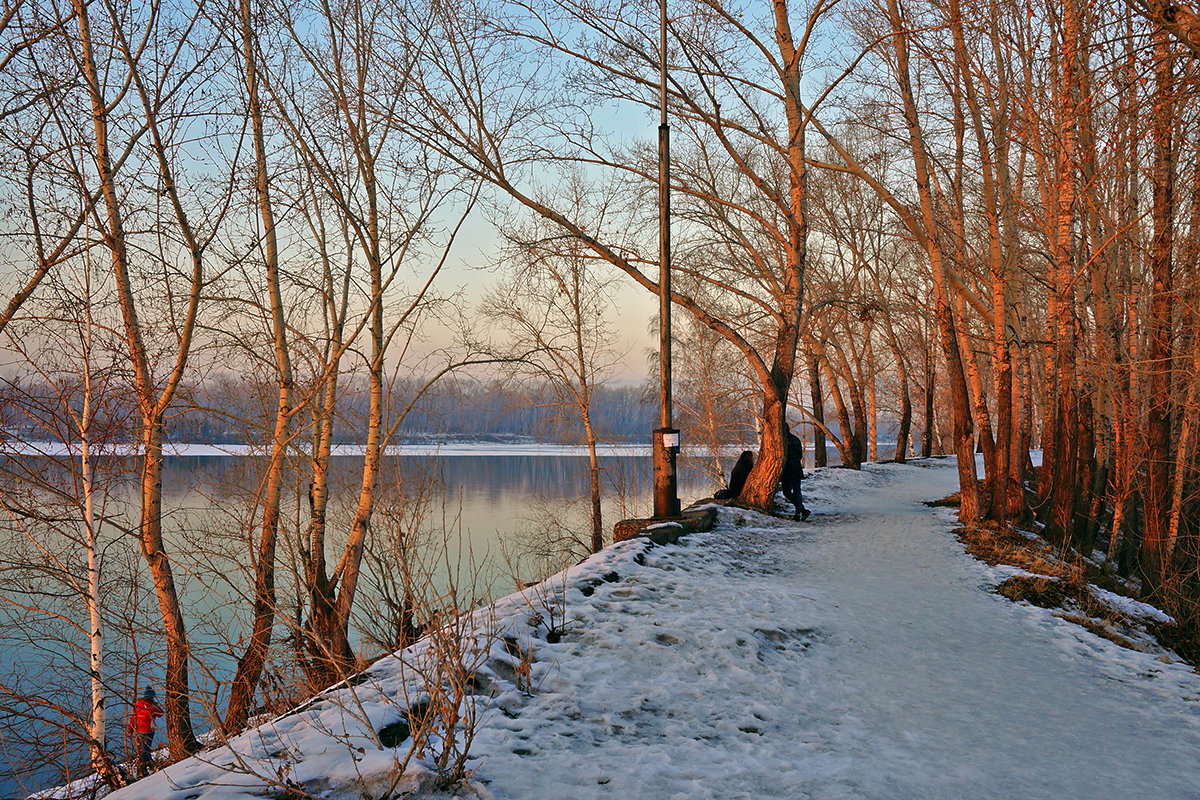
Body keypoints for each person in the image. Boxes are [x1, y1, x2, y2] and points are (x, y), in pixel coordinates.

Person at [127, 687, 163, 778]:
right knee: (145, 750)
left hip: (139, 731)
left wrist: (130, 729)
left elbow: (133, 718)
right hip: (149, 731)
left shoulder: (138, 705)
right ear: (151, 697)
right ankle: (143, 770)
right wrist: (156, 706)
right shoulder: (151, 707)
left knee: (144, 749)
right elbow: (161, 713)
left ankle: (150, 766)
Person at [781, 430, 810, 521]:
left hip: (787, 469)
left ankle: (801, 510)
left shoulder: (782, 440)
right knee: (797, 491)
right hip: (797, 468)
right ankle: (800, 511)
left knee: (787, 492)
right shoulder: (795, 439)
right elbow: (800, 455)